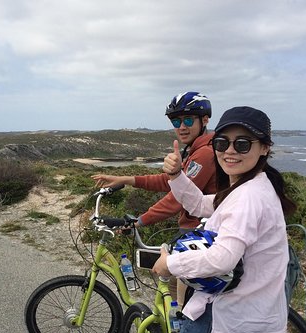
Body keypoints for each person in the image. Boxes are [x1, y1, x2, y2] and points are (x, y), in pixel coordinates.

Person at [151, 106, 297, 333]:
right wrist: (176, 178)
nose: (230, 151)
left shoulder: (246, 197)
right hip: (262, 324)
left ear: (264, 148)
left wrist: (169, 265)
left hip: (223, 322)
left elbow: (221, 258)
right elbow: (205, 205)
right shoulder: (254, 188)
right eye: (223, 142)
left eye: (243, 144)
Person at [92, 91, 216, 229]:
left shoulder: (205, 153)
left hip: (200, 230)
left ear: (205, 120)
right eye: (176, 121)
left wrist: (139, 222)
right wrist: (126, 179)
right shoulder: (199, 148)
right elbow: (172, 182)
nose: (181, 127)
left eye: (188, 120)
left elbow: (177, 198)